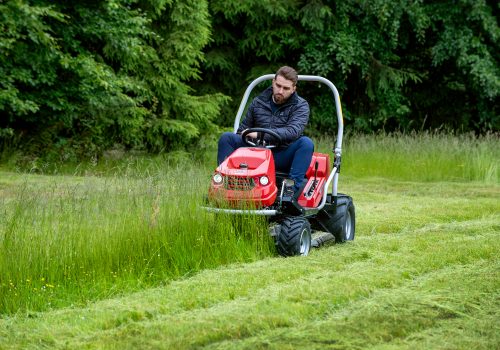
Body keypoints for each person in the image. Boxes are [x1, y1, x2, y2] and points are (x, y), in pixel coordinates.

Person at [217, 66, 314, 195]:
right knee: (227, 138)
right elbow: (242, 131)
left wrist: (259, 134)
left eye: (286, 88)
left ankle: (289, 193)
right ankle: (223, 185)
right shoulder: (258, 102)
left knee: (306, 143)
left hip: (281, 154)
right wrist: (249, 137)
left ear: (293, 89)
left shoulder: (300, 106)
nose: (280, 91)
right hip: (255, 152)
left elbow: (293, 131)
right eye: (278, 85)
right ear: (273, 82)